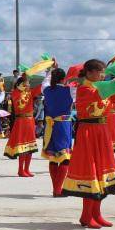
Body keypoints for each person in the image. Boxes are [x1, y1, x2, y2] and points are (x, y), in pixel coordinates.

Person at [62, 59, 115, 228]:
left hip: (102, 132)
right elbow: (101, 94)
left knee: (102, 174)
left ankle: (96, 213)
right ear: (89, 73)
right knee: (91, 173)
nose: (103, 75)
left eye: (103, 72)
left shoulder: (100, 88)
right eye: (100, 72)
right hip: (89, 132)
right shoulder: (84, 89)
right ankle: (87, 216)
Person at [41, 66, 74, 197]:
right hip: (63, 125)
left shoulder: (47, 90)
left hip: (50, 125)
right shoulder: (70, 90)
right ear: (63, 78)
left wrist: (50, 70)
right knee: (65, 158)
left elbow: (45, 81)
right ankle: (58, 189)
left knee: (53, 157)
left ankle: (56, 188)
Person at [4, 73, 43, 177]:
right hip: (21, 122)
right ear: (21, 84)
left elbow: (41, 87)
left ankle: (27, 169)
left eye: (29, 83)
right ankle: (20, 170)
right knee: (22, 147)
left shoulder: (30, 92)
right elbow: (19, 104)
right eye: (27, 83)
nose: (29, 84)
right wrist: (22, 87)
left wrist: (49, 73)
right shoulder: (15, 93)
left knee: (30, 147)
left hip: (30, 121)